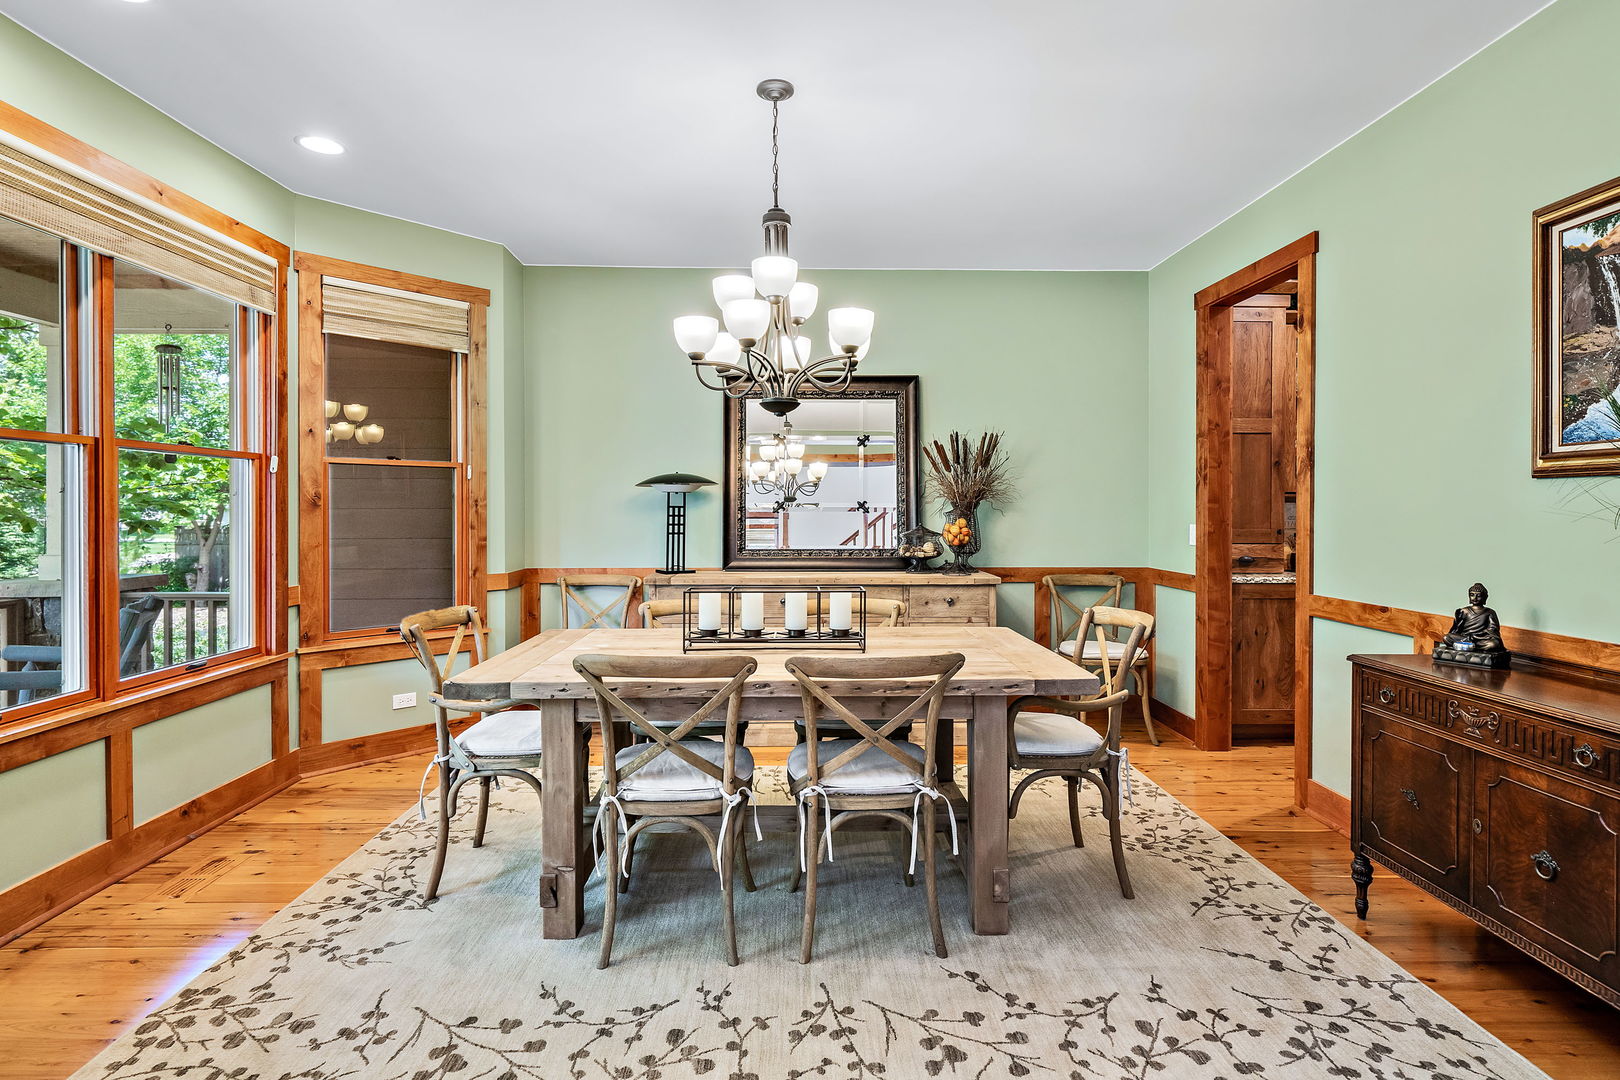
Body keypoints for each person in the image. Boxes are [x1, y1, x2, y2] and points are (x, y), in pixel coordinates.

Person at [1441, 583, 1504, 653]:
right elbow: (1456, 630)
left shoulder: (1490, 612)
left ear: (1485, 597)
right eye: (1472, 595)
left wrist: (1479, 635)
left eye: (1479, 595)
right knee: (1446, 638)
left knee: (1493, 644)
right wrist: (1458, 620)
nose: (1475, 598)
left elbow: (1493, 629)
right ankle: (1470, 645)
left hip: (1480, 638)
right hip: (1465, 638)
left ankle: (1470, 646)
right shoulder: (1464, 611)